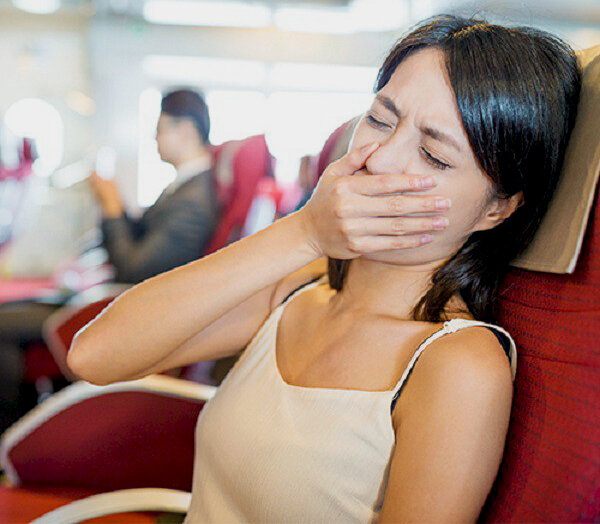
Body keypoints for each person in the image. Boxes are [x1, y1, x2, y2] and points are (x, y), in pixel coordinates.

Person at [68, 16, 581, 522]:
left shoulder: (459, 366)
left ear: (498, 208)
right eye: (379, 120)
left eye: (432, 155)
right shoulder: (300, 288)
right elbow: (95, 355)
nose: (380, 160)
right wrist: (304, 232)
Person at [90, 89, 220, 283]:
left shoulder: (192, 202)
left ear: (186, 132)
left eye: (160, 129)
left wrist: (112, 208)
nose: (154, 137)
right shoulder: (185, 186)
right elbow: (142, 232)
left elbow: (133, 271)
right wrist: (114, 200)